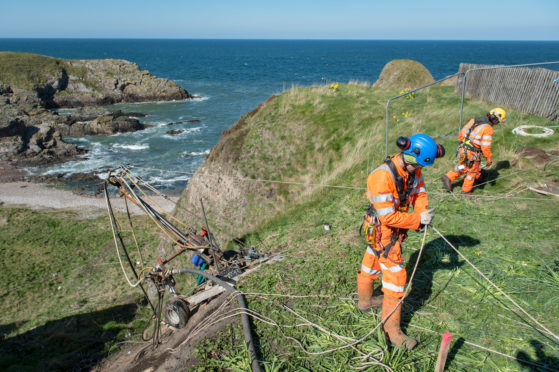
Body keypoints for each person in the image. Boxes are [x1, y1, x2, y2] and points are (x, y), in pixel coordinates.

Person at [357, 133, 445, 350]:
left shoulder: (413, 169)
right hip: (382, 230)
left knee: (371, 261)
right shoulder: (381, 177)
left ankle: (366, 302)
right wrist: (417, 220)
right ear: (409, 157)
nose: (419, 171)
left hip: (391, 228)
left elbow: (419, 194)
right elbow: (387, 217)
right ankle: (392, 331)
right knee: (396, 279)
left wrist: (422, 213)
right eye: (417, 167)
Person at [441, 108, 506, 194]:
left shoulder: (474, 120)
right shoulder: (488, 129)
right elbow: (485, 146)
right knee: (472, 171)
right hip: (472, 153)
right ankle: (466, 191)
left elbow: (462, 133)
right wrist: (488, 158)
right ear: (496, 120)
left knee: (462, 166)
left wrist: (462, 144)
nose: (496, 123)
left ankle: (448, 177)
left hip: (461, 148)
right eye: (497, 121)